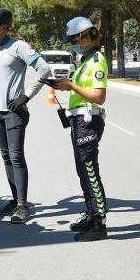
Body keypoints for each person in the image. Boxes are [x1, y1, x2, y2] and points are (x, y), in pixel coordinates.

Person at [0, 8, 52, 223]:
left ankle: (22, 205)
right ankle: (14, 199)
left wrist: (26, 96)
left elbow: (44, 70)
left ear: (4, 26)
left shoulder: (18, 46)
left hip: (14, 112)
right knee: (6, 157)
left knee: (16, 156)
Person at [52, 16, 110, 241]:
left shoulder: (97, 60)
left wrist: (71, 85)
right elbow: (80, 90)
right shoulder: (84, 60)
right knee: (82, 171)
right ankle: (90, 213)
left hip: (88, 122)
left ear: (87, 36)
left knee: (90, 171)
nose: (74, 42)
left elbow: (99, 96)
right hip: (78, 122)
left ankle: (99, 224)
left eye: (76, 38)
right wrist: (66, 86)